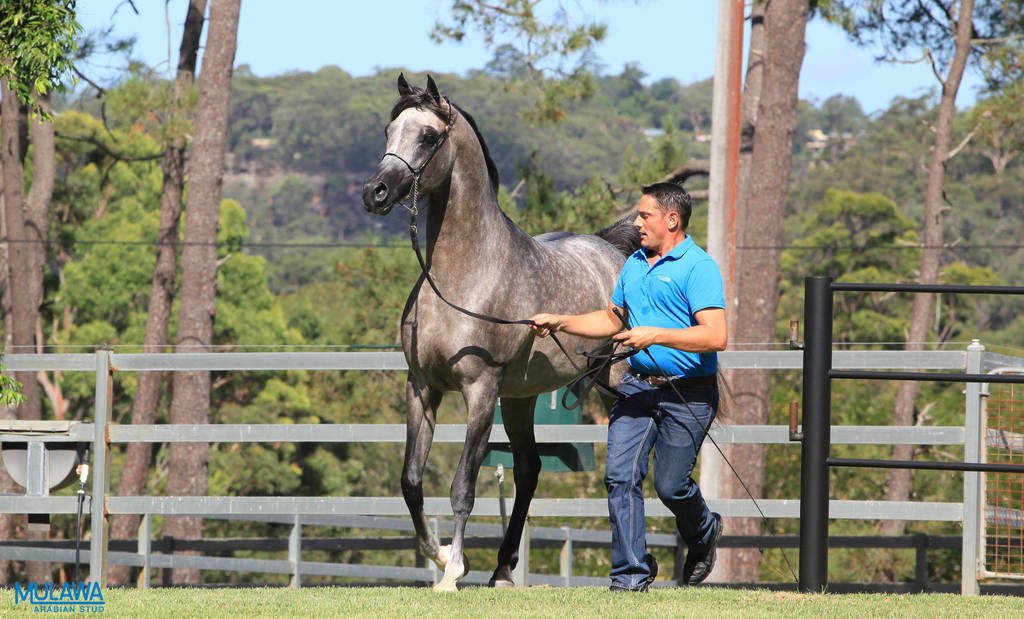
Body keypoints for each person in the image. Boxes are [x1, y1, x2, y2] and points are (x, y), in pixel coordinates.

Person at [530, 182, 727, 591]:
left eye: (644, 215)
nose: (636, 223)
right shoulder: (634, 263)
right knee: (620, 476)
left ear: (672, 220)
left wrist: (654, 335)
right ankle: (630, 577)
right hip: (638, 387)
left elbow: (714, 337)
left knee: (671, 486)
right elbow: (612, 321)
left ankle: (704, 532)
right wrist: (560, 321)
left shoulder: (698, 266)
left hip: (688, 392)